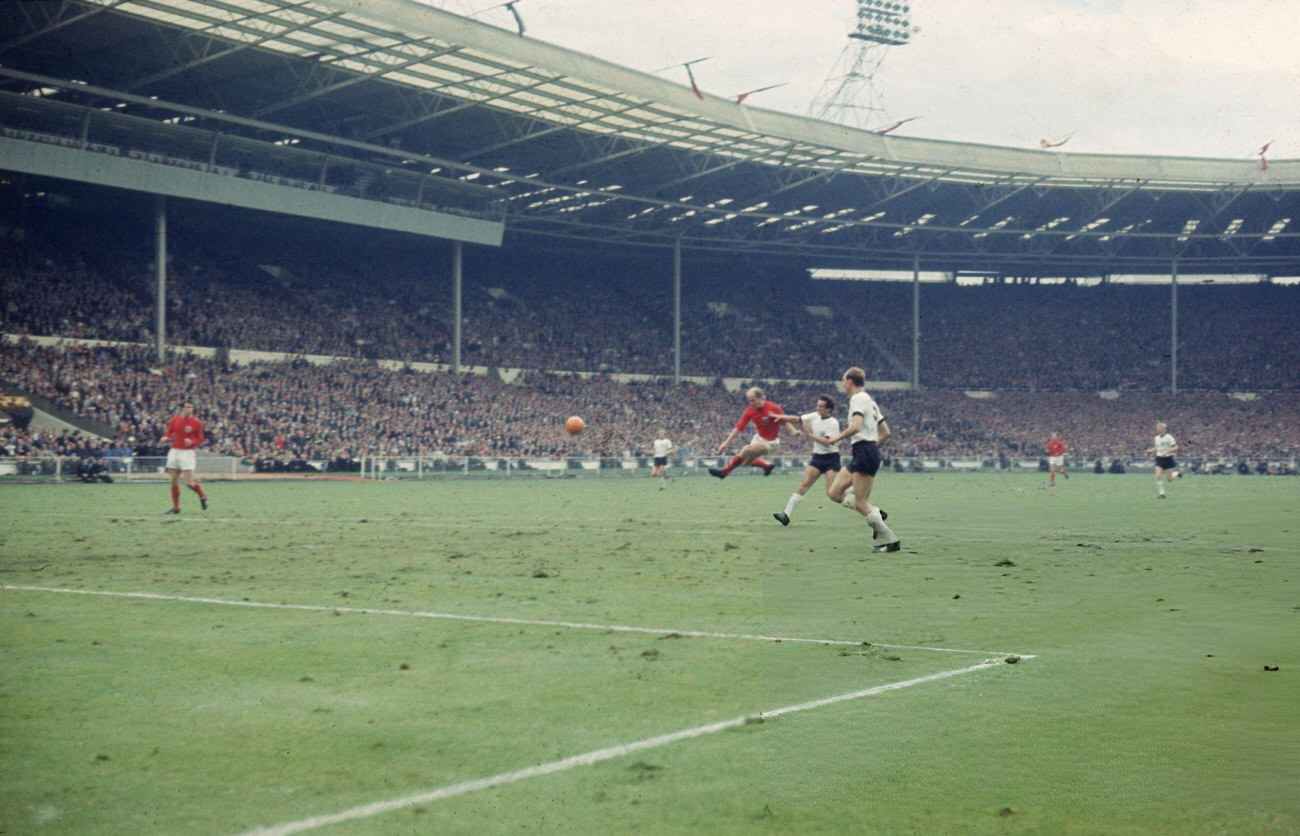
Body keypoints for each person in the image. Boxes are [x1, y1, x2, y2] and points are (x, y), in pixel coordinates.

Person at [819, 367, 900, 552]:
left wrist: (836, 439)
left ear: (850, 381)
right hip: (865, 452)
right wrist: (872, 450)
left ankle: (890, 540)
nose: (843, 384)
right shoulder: (870, 402)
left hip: (864, 450)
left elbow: (856, 426)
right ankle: (876, 513)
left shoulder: (857, 399)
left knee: (861, 502)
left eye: (843, 380)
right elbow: (886, 432)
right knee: (834, 492)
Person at [772, 394, 845, 525]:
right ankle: (786, 515)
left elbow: (827, 442)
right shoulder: (814, 416)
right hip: (818, 457)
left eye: (821, 406)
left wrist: (810, 434)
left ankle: (867, 509)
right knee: (804, 485)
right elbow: (796, 419)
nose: (818, 408)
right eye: (817, 405)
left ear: (829, 409)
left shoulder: (833, 423)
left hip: (831, 458)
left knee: (832, 493)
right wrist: (779, 417)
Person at [709, 387, 788, 479]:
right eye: (749, 401)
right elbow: (739, 427)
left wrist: (794, 430)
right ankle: (767, 467)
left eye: (753, 400)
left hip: (771, 442)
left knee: (746, 450)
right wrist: (726, 442)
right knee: (746, 462)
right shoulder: (750, 410)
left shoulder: (774, 408)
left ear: (760, 398)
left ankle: (724, 472)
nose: (751, 403)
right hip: (759, 438)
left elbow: (785, 421)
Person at [161, 399, 209, 514]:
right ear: (182, 408)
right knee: (173, 480)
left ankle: (202, 495)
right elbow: (169, 432)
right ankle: (176, 508)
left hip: (187, 453)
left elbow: (201, 439)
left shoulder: (196, 423)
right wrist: (165, 437)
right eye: (187, 407)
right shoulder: (175, 419)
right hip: (174, 451)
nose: (189, 409)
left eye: (191, 407)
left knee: (188, 482)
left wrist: (192, 442)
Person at [1145, 421, 1180, 499]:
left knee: (1169, 479)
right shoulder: (1156, 438)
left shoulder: (1169, 437)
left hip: (1168, 459)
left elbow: (1176, 447)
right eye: (1157, 429)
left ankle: (1176, 473)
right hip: (1159, 458)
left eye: (1160, 428)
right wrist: (1151, 450)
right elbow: (1158, 447)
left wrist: (1167, 451)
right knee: (1158, 475)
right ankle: (1162, 494)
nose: (1158, 430)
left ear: (1164, 429)